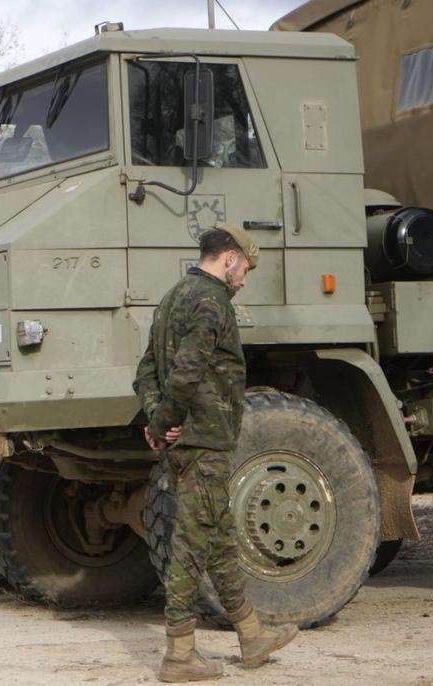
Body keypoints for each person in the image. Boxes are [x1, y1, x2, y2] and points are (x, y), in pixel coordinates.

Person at [133, 226, 297, 682]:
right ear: (229, 258)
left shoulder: (171, 299)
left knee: (219, 537)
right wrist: (163, 421)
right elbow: (187, 370)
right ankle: (179, 656)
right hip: (204, 443)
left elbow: (146, 371)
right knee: (190, 544)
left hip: (186, 444)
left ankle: (252, 634)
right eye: (245, 268)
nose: (244, 278)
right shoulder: (212, 302)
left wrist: (156, 419)